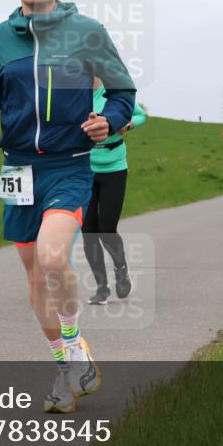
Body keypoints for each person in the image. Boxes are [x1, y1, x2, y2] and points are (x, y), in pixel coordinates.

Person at [0, 0, 136, 413]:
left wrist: (111, 120)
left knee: (53, 254)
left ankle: (76, 346)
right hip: (18, 169)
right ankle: (66, 369)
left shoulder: (88, 32)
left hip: (68, 164)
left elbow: (122, 90)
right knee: (36, 280)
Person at [83, 78, 146, 306]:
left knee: (106, 229)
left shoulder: (113, 93)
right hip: (85, 170)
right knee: (88, 231)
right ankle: (101, 288)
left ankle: (121, 269)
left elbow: (140, 115)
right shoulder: (75, 94)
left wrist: (127, 125)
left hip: (114, 168)